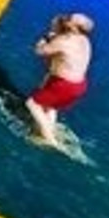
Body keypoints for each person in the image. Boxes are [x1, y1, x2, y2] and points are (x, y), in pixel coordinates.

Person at [26, 12, 94, 149]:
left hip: (64, 85)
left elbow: (40, 51)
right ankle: (48, 130)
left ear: (74, 28)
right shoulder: (85, 41)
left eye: (69, 19)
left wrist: (47, 35)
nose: (66, 18)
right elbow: (65, 45)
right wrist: (56, 35)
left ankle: (50, 141)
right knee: (50, 106)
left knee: (32, 104)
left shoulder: (64, 41)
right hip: (79, 85)